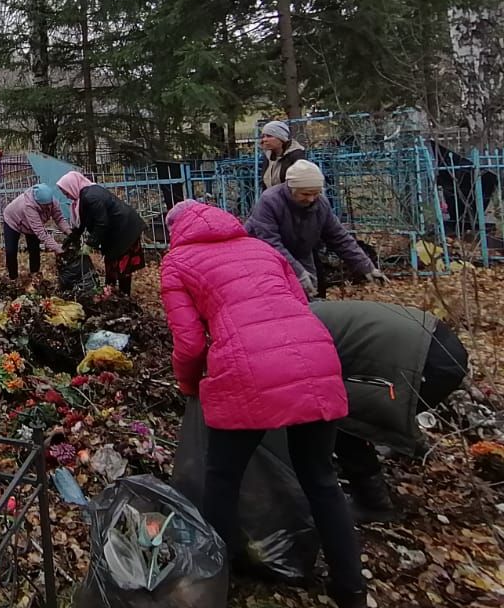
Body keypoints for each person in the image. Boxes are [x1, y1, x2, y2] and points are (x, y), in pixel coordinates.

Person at [161, 199, 366, 608]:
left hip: (247, 370)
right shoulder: (262, 248)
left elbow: (189, 343)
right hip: (316, 360)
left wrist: (188, 386)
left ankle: (216, 583)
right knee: (322, 481)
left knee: (221, 480)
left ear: (174, 230)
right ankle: (351, 589)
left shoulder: (177, 262)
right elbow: (299, 306)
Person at [311, 300, 469, 523]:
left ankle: (373, 503)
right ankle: (406, 447)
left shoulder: (294, 335)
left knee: (343, 416)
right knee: (364, 398)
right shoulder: (304, 313)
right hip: (438, 339)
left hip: (428, 361)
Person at [245, 160, 386, 298]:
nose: (312, 199)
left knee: (309, 296)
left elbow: (338, 237)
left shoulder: (321, 204)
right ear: (291, 188)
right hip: (263, 259)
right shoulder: (270, 201)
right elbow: (270, 243)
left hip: (301, 253)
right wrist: (298, 272)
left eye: (316, 193)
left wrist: (366, 266)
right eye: (305, 194)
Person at [56, 170, 147, 296]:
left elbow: (101, 223)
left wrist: (89, 244)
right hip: (116, 231)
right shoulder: (85, 195)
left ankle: (124, 296)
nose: (66, 195)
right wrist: (71, 238)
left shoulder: (90, 197)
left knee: (121, 267)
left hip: (124, 231)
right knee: (111, 265)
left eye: (65, 191)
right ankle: (111, 294)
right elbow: (83, 222)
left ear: (72, 186)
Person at [1, 184, 70, 280]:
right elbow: (40, 232)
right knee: (11, 251)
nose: (48, 207)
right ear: (38, 203)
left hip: (31, 227)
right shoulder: (28, 206)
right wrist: (57, 248)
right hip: (13, 221)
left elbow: (59, 219)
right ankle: (13, 278)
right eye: (45, 205)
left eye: (49, 204)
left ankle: (34, 277)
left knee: (34, 250)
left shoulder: (53, 202)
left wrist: (69, 232)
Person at [260, 120, 308, 190]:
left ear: (281, 138)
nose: (264, 139)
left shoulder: (296, 157)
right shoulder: (269, 156)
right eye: (263, 136)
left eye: (269, 136)